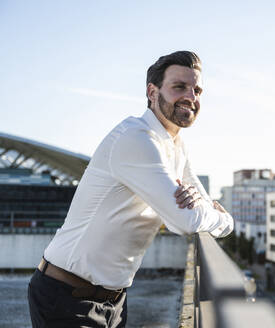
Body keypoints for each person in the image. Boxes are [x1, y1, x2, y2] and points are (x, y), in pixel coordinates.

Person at [27, 51, 234, 327]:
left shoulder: (176, 147)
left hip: (114, 300)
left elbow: (195, 211)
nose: (192, 97)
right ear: (152, 91)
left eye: (197, 90)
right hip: (66, 297)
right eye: (179, 87)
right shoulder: (136, 138)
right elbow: (184, 221)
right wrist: (222, 218)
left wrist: (218, 218)